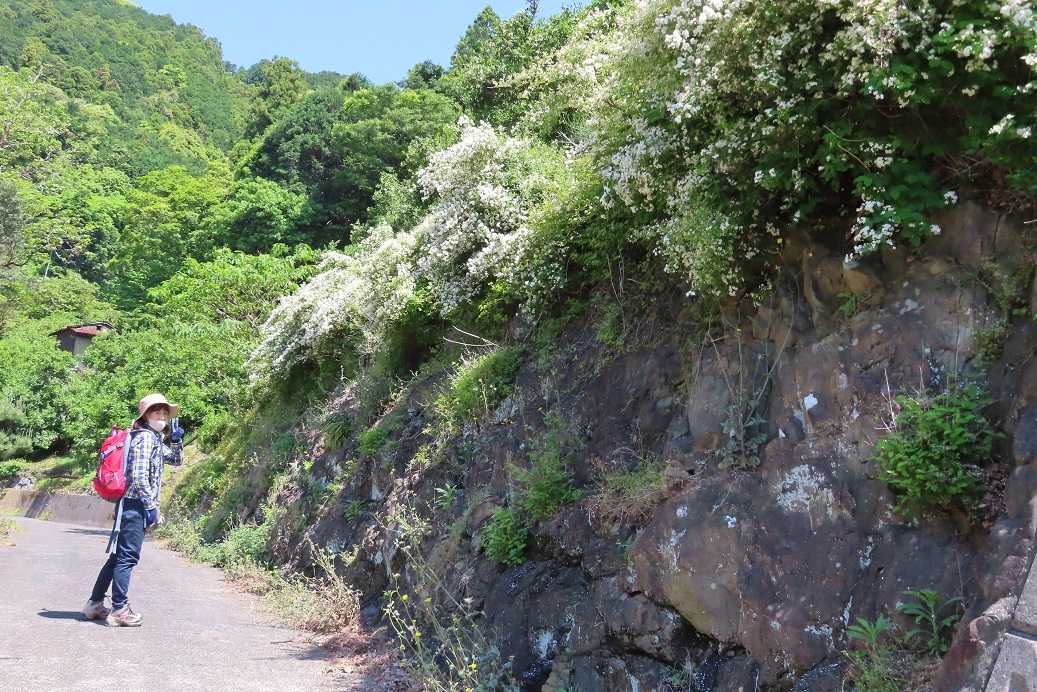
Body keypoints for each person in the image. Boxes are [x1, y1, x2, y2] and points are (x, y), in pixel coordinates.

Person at [82, 393, 184, 626]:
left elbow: (176, 461)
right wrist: (151, 507)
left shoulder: (154, 438)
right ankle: (119, 610)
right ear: (146, 415)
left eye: (165, 412)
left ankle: (95, 604)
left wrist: (176, 440)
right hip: (134, 505)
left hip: (133, 505)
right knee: (127, 557)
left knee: (118, 555)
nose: (161, 415)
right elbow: (138, 477)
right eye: (156, 411)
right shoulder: (146, 438)